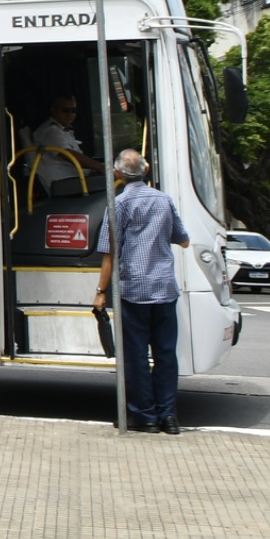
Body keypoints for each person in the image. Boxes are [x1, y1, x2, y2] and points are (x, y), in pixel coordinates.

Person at [93, 148, 191, 435]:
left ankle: (144, 416)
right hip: (164, 288)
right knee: (165, 354)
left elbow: (109, 253)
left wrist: (100, 291)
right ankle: (169, 416)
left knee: (135, 355)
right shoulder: (164, 201)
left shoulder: (119, 204)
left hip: (133, 289)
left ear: (117, 174)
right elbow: (183, 241)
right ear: (145, 171)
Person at [29, 96, 104, 195]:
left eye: (73, 111)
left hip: (75, 179)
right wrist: (99, 167)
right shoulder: (50, 131)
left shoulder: (63, 130)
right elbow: (70, 155)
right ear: (53, 110)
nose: (70, 114)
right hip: (64, 183)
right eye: (65, 110)